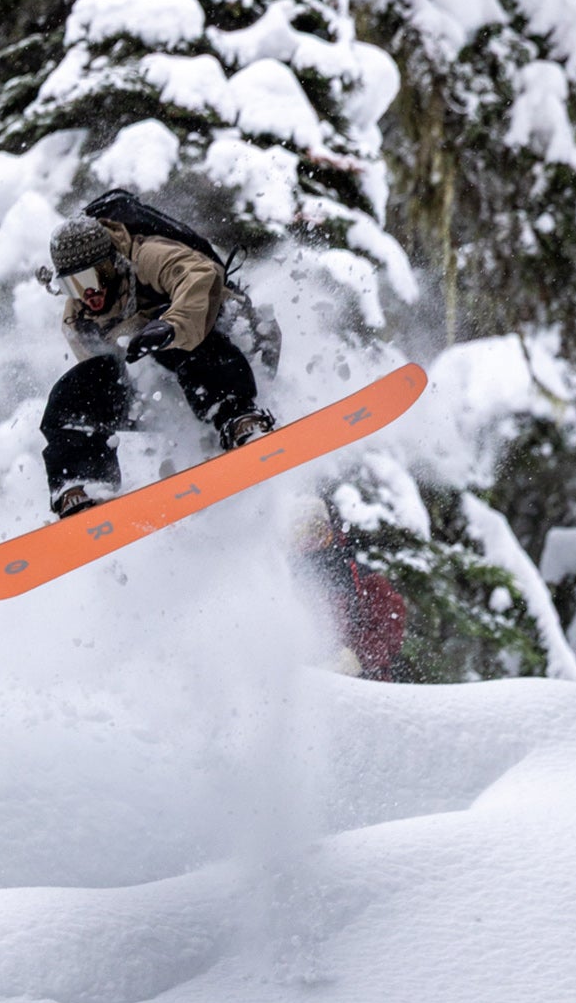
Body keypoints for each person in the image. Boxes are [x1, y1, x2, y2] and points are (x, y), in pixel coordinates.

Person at [40, 205, 275, 519]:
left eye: (94, 277)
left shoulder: (145, 256)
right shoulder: (78, 319)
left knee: (167, 345)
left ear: (110, 261)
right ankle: (83, 482)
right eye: (74, 285)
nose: (89, 293)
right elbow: (104, 382)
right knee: (75, 389)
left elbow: (198, 276)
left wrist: (170, 327)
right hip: (169, 387)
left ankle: (238, 416)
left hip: (229, 350)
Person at [289, 494, 409, 680]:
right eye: (300, 531)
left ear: (331, 532)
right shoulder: (280, 578)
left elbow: (390, 634)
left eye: (318, 530)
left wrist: (357, 655)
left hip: (359, 686)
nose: (310, 541)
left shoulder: (360, 578)